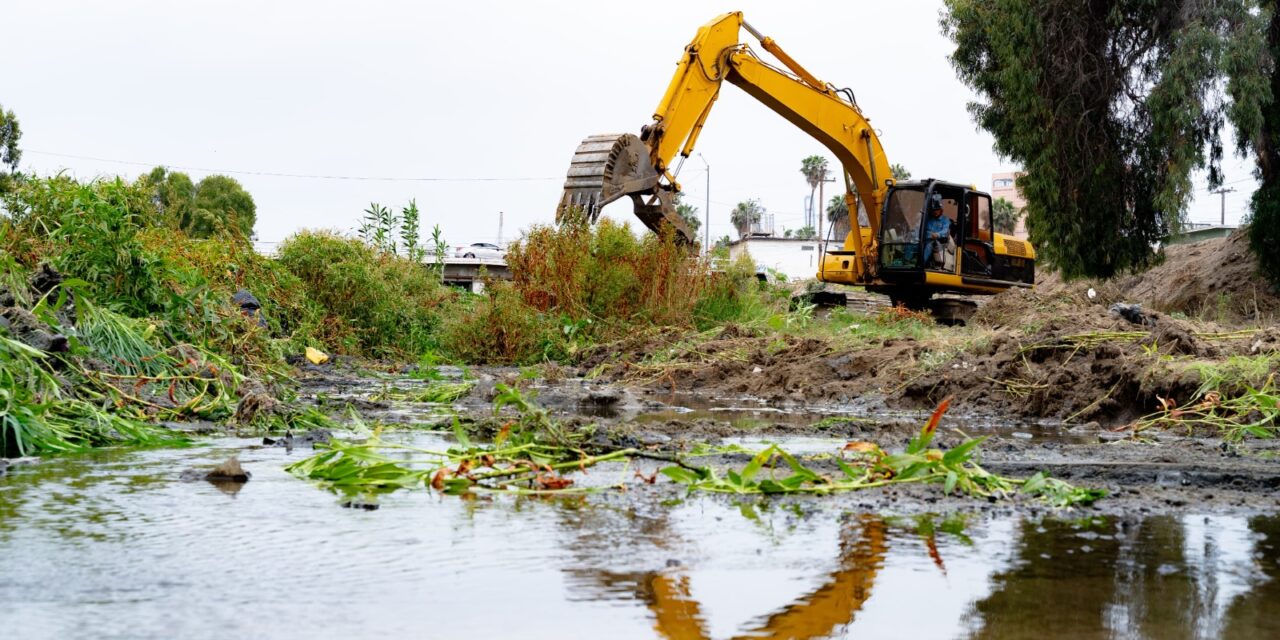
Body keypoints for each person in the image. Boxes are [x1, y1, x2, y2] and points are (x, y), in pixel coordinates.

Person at [922, 193, 952, 268]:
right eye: (934, 210)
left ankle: (921, 265)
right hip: (926, 240)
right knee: (914, 243)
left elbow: (945, 231)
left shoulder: (945, 220)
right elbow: (924, 230)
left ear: (941, 210)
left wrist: (937, 234)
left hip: (940, 243)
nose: (935, 211)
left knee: (930, 245)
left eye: (937, 210)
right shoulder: (929, 220)